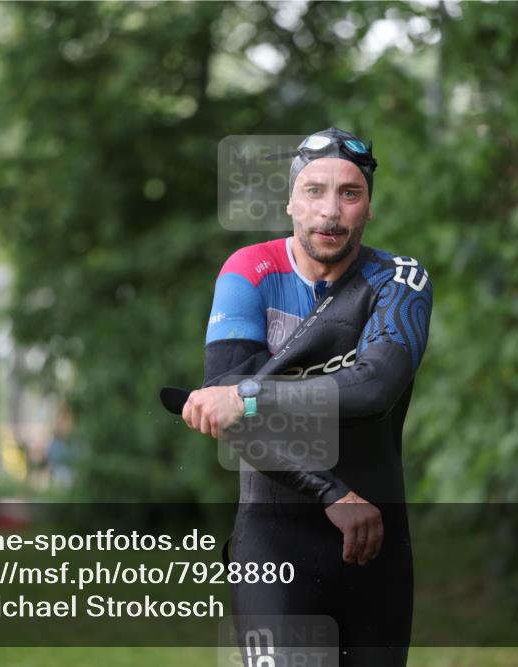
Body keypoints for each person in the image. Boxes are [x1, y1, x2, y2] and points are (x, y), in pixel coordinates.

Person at [181, 128, 433, 666]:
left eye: (349, 193)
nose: (331, 212)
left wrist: (248, 394)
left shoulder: (399, 279)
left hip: (377, 541)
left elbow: (374, 386)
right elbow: (233, 423)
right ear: (291, 200)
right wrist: (333, 496)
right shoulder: (249, 271)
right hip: (276, 536)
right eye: (315, 191)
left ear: (369, 206)